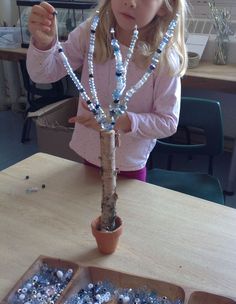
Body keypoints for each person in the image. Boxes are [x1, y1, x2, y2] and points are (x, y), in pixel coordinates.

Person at [27, 0, 188, 182]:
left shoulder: (164, 58)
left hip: (128, 166)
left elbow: (168, 122)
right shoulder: (91, 32)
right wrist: (44, 45)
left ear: (165, 7)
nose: (130, 2)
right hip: (88, 156)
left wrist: (122, 121)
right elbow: (43, 74)